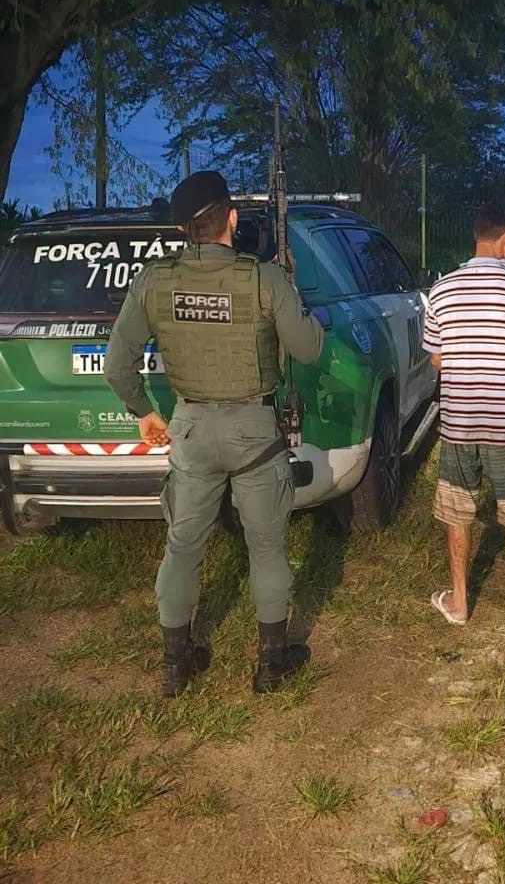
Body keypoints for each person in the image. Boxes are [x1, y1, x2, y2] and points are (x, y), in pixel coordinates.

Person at [105, 171, 324, 697]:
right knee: (266, 547)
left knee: (182, 546)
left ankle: (176, 665)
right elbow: (310, 349)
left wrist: (143, 411)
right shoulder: (263, 278)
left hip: (190, 428)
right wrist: (291, 292)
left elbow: (118, 364)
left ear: (185, 228)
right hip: (254, 431)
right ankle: (271, 665)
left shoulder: (154, 280)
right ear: (231, 218)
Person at [422, 203, 505, 627]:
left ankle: (459, 604)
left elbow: (437, 359)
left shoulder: (441, 290)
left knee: (457, 511)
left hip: (459, 422)